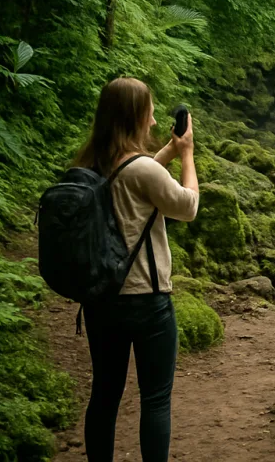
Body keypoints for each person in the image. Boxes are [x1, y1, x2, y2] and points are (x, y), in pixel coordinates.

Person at [73, 78, 199, 462]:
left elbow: (132, 180)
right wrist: (188, 155)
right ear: (135, 117)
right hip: (147, 301)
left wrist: (165, 153)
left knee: (105, 395)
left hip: (101, 298)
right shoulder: (142, 170)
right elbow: (187, 206)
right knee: (156, 398)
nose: (156, 119)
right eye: (151, 111)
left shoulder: (89, 164)